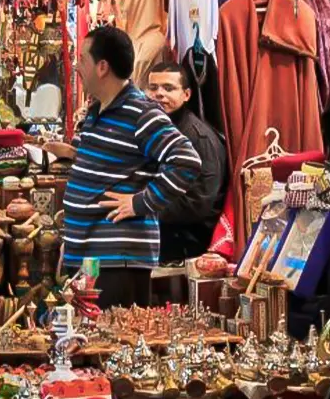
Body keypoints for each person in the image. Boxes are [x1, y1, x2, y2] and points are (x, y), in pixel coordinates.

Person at [44, 26, 201, 309]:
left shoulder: (141, 112)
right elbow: (112, 158)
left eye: (83, 59)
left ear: (102, 67)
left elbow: (186, 161)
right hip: (91, 254)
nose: (77, 66)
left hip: (119, 259)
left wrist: (141, 202)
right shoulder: (98, 110)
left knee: (111, 343)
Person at [146, 61, 228, 264]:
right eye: (153, 88)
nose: (159, 94)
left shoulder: (199, 139)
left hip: (186, 240)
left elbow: (197, 204)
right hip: (161, 229)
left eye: (169, 88)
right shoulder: (159, 128)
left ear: (187, 95)